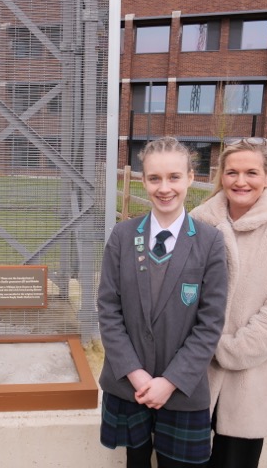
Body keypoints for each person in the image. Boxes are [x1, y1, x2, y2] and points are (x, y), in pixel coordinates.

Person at [97, 136, 228, 468]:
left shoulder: (210, 242)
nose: (164, 187)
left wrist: (169, 381)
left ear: (191, 179)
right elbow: (109, 311)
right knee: (135, 461)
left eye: (174, 177)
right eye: (154, 178)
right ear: (143, 181)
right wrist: (136, 375)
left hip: (182, 388)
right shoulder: (123, 237)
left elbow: (210, 323)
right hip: (130, 386)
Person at [191, 138, 267, 468]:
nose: (240, 181)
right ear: (221, 176)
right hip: (196, 367)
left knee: (235, 461)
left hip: (252, 371)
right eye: (232, 172)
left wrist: (232, 349)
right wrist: (198, 344)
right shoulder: (199, 222)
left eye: (251, 172)